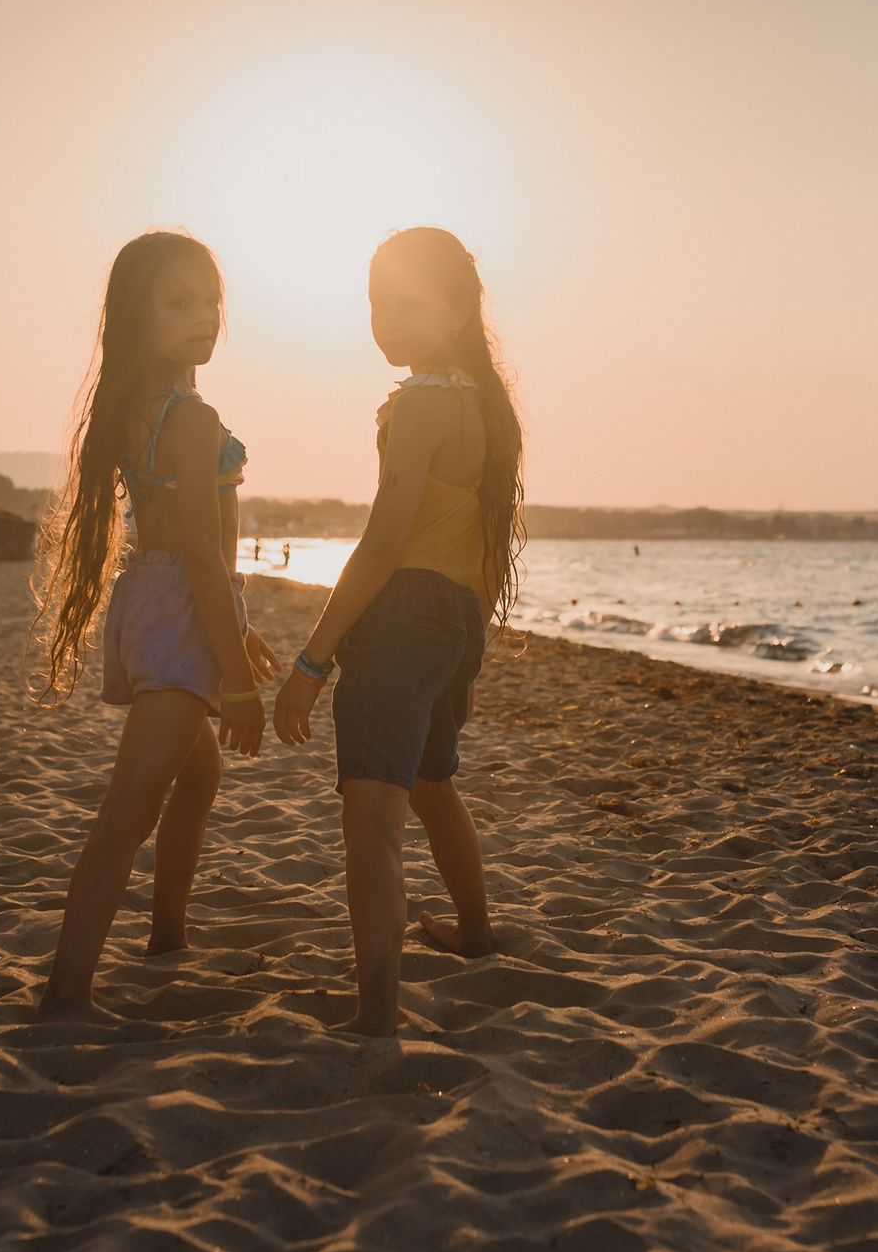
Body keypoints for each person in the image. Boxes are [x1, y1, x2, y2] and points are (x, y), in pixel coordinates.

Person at [274, 227, 524, 1037]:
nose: (389, 319)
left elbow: (384, 542)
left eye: (410, 303)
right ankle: (477, 935)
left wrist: (312, 659)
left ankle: (375, 1012)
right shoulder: (481, 406)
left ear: (457, 312)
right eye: (379, 303)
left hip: (407, 617)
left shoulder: (421, 406)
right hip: (453, 619)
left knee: (373, 814)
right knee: (430, 785)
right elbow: (484, 554)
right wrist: (469, 649)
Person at [32, 232, 278, 1022]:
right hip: (181, 610)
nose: (203, 316)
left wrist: (235, 634)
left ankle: (167, 936)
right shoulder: (191, 417)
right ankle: (67, 992)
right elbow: (205, 559)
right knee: (130, 806)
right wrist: (237, 684)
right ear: (137, 319)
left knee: (196, 779)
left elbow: (186, 552)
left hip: (153, 601)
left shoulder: (141, 405)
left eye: (210, 300)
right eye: (178, 303)